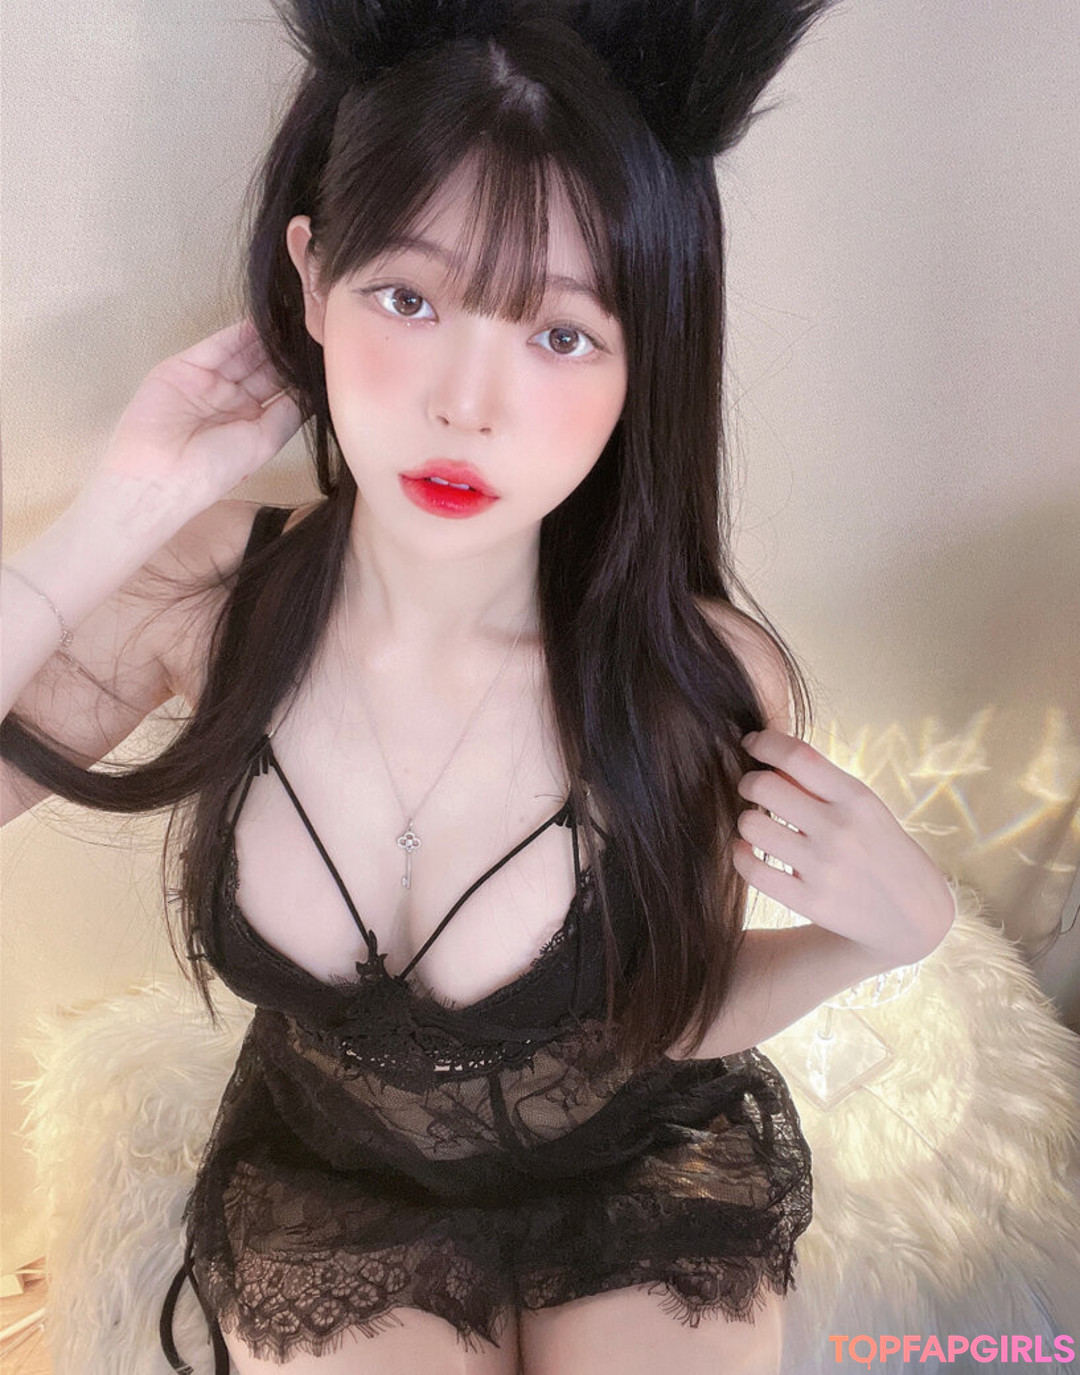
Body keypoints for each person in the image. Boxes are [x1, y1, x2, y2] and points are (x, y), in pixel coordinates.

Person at [1, 1, 956, 1370]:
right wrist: (112, 519)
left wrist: (888, 937)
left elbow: (672, 1012)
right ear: (311, 278)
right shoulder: (208, 597)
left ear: (646, 356)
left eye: (561, 334)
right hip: (335, 1188)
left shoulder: (694, 676)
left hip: (635, 1173)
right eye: (410, 298)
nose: (467, 402)